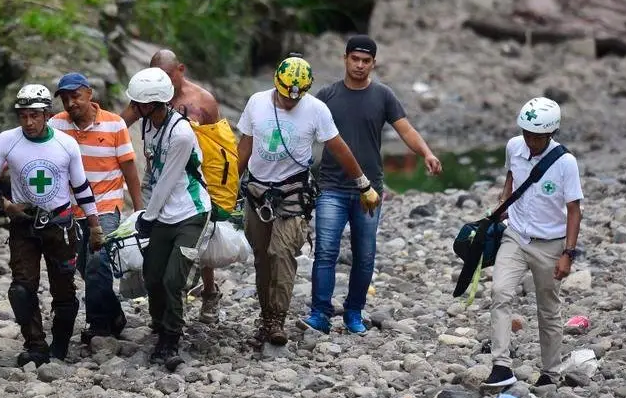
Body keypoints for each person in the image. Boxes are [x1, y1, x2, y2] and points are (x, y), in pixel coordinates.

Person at [300, 35, 442, 335]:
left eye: (366, 61)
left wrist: (427, 153)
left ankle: (354, 312)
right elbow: (303, 131)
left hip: (370, 189)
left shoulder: (383, 95)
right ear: (345, 59)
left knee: (364, 256)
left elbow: (405, 129)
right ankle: (320, 313)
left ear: (373, 64)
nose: (360, 65)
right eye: (355, 59)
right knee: (325, 252)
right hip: (331, 187)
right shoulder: (326, 96)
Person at [237, 56, 381, 345]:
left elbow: (339, 148)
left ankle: (277, 319)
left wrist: (363, 184)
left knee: (281, 253)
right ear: (276, 84)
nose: (291, 102)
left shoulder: (316, 109)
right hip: (257, 191)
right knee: (262, 257)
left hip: (293, 193)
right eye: (286, 97)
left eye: (297, 98)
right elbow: (244, 146)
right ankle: (266, 316)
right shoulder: (257, 102)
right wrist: (227, 188)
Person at [0, 84, 105, 367]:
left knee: (64, 291)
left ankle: (60, 345)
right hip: (23, 225)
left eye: (34, 116)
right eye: (23, 116)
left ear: (47, 115)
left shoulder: (66, 144)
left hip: (60, 225)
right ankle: (35, 346)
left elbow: (81, 187)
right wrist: (4, 203)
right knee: (21, 289)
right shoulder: (7, 140)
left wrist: (95, 226)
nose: (28, 122)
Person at [121, 49, 228, 323]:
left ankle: (200, 301)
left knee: (177, 272)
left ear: (180, 70)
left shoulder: (196, 111)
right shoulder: (147, 115)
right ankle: (159, 322)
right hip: (158, 192)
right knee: (153, 271)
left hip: (189, 197)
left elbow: (218, 150)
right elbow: (119, 127)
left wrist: (221, 194)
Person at [484, 97, 583, 388]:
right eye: (526, 134)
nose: (530, 141)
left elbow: (574, 210)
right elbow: (512, 175)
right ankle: (501, 366)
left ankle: (550, 372)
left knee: (548, 309)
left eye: (537, 137)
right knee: (500, 292)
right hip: (515, 235)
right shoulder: (514, 146)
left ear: (551, 133)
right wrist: (504, 201)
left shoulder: (566, 163)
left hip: (550, 244)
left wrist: (568, 253)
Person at [49, 72, 144, 343]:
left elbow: (130, 170)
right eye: (65, 99)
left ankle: (98, 324)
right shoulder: (56, 125)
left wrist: (139, 212)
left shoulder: (114, 125)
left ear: (89, 94)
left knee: (98, 260)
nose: (71, 104)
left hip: (105, 205)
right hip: (71, 209)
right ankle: (114, 314)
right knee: (84, 266)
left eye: (75, 96)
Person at [126, 67, 211, 366]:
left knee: (173, 279)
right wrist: (147, 212)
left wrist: (147, 217)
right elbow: (153, 172)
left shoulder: (181, 134)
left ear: (152, 104)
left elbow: (168, 179)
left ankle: (171, 338)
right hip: (162, 212)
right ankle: (159, 323)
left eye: (137, 103)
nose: (133, 108)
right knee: (152, 275)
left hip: (190, 212)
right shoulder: (148, 126)